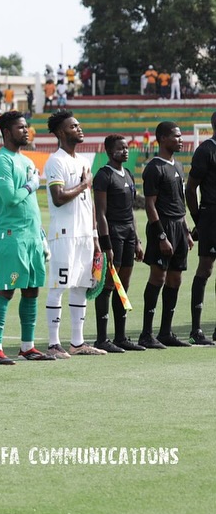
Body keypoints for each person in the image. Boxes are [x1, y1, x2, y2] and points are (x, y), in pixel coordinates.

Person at [44, 109, 106, 358]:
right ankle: (53, 344)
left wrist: (95, 235)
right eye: (73, 126)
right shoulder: (55, 161)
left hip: (84, 235)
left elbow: (89, 202)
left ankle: (77, 343)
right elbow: (58, 198)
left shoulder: (84, 161)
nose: (79, 129)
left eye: (79, 125)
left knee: (81, 286)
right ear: (61, 132)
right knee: (58, 286)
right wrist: (83, 184)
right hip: (64, 234)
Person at [0, 111, 46, 365]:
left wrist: (41, 234)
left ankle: (27, 346)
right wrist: (32, 184)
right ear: (7, 132)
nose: (26, 131)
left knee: (32, 290)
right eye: (21, 127)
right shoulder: (1, 160)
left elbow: (31, 204)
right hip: (11, 236)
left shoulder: (27, 160)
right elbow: (11, 199)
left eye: (26, 127)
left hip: (32, 236)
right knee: (7, 289)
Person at [139, 122, 194, 348]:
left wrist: (186, 231)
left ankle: (165, 332)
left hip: (179, 227)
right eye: (176, 136)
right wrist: (162, 236)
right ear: (162, 139)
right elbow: (150, 205)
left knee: (175, 278)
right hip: (162, 227)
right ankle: (146, 334)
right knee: (158, 277)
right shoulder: (154, 168)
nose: (180, 140)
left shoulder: (178, 166)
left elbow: (180, 201)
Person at [93, 135, 146, 352]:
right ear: (109, 151)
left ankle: (121, 337)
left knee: (123, 284)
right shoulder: (103, 175)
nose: (125, 151)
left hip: (128, 234)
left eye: (126, 148)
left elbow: (131, 211)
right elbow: (100, 213)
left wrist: (137, 240)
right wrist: (106, 245)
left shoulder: (129, 174)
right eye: (120, 148)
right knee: (108, 285)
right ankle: (102, 339)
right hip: (112, 233)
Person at [185, 111, 216, 346]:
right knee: (205, 268)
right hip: (211, 216)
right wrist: (199, 220)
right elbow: (190, 188)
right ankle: (196, 330)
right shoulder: (206, 150)